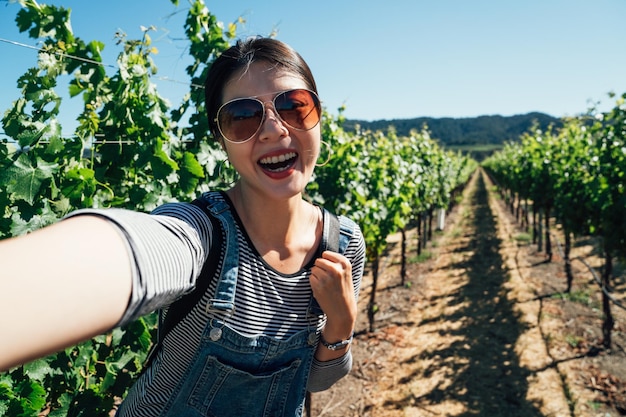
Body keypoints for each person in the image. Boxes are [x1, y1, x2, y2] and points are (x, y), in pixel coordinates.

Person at [0, 37, 365, 416]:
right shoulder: (203, 235)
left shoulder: (342, 244)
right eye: (242, 116)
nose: (274, 130)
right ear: (219, 139)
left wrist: (341, 322)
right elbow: (136, 253)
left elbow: (317, 380)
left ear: (317, 113)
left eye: (293, 106)